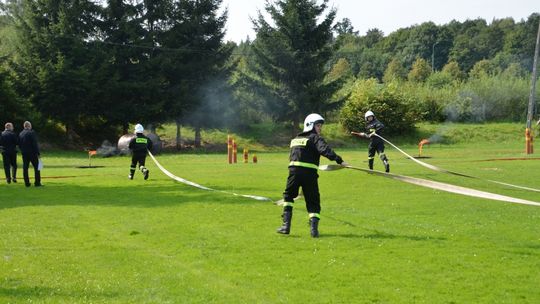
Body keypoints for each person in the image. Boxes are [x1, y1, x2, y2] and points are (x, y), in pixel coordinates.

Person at [277, 113, 347, 238]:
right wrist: (339, 161)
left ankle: (285, 226)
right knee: (313, 201)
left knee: (288, 197)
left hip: (293, 173)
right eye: (318, 125)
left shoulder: (295, 140)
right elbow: (325, 150)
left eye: (320, 126)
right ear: (310, 125)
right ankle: (314, 231)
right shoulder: (315, 138)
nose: (320, 128)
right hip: (309, 175)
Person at [18, 121, 42, 187]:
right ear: (29, 126)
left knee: (25, 168)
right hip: (32, 153)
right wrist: (38, 153)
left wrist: (22, 150)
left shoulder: (20, 133)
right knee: (37, 168)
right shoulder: (32, 133)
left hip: (24, 153)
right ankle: (37, 183)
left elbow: (19, 144)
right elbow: (34, 144)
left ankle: (27, 183)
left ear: (24, 126)